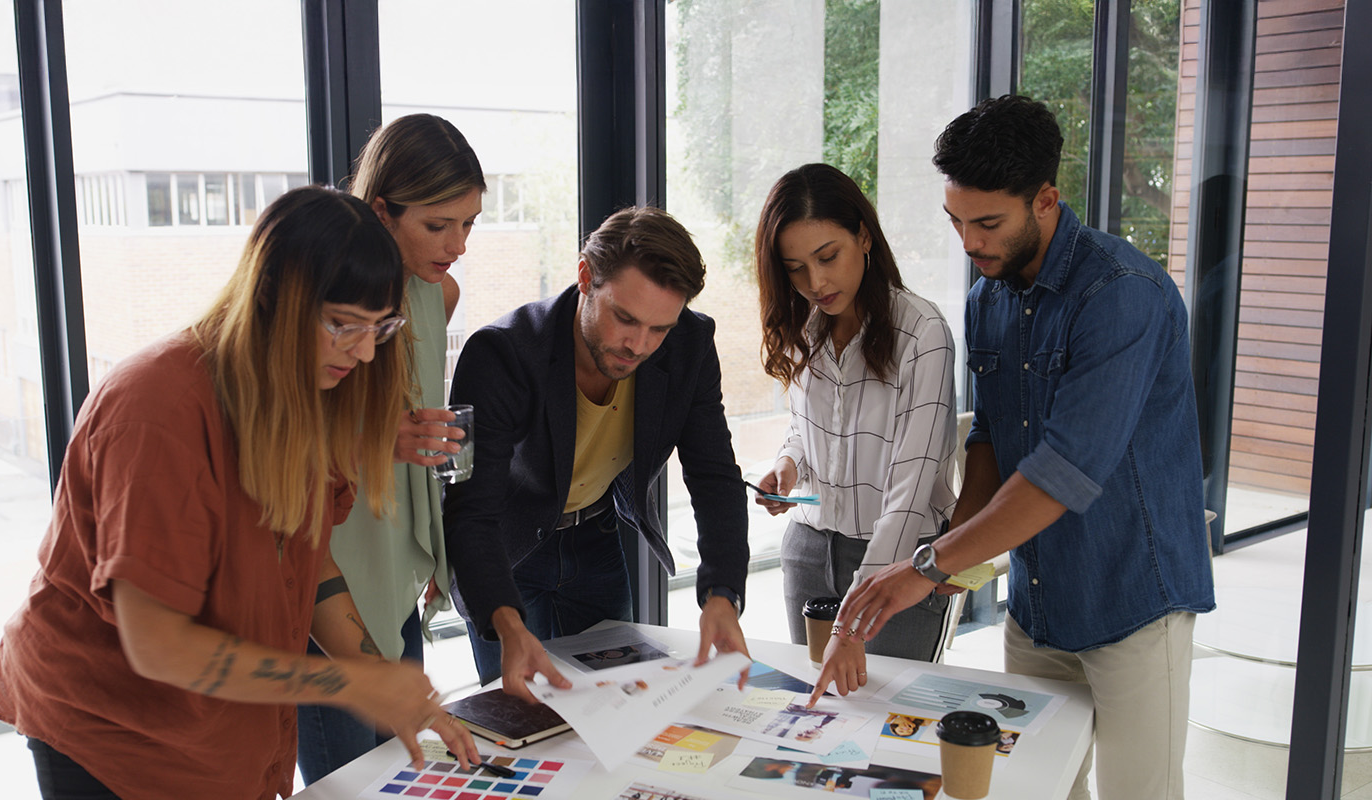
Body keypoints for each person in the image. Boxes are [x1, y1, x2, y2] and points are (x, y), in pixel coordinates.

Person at [0, 186, 479, 800]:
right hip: (108, 732)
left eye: (381, 327)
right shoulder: (156, 408)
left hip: (220, 727)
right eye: (343, 325)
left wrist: (374, 672)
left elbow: (308, 553)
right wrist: (344, 685)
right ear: (272, 298)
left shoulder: (304, 387)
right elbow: (158, 644)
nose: (366, 351)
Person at [818, 95, 1215, 800]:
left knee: (1139, 795)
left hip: (1132, 602)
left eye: (988, 223)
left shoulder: (1123, 295)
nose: (970, 242)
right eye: (957, 222)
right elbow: (993, 439)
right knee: (1032, 787)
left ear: (1046, 200)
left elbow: (1061, 473)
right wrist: (951, 565)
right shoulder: (988, 299)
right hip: (1037, 606)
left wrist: (927, 566)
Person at [444, 205, 752, 701]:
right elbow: (470, 509)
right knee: (532, 724)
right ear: (586, 276)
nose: (639, 345)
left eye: (659, 329)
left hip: (596, 541)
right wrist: (505, 621)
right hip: (509, 555)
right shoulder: (502, 353)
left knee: (620, 709)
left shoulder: (690, 343)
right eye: (625, 318)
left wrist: (722, 594)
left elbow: (714, 473)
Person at [296, 113, 485, 784]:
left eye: (469, 223)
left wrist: (428, 539)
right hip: (330, 567)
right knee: (345, 778)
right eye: (439, 225)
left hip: (395, 558)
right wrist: (378, 440)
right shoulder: (321, 298)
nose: (457, 244)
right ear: (381, 210)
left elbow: (415, 425)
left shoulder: (440, 291)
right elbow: (283, 446)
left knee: (401, 772)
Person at [751, 163, 958, 698]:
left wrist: (853, 619)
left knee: (890, 735)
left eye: (827, 257)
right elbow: (805, 428)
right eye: (795, 268)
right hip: (808, 550)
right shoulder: (803, 329)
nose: (815, 283)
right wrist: (788, 466)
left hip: (899, 562)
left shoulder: (923, 333)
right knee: (818, 724)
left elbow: (911, 493)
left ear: (863, 236)